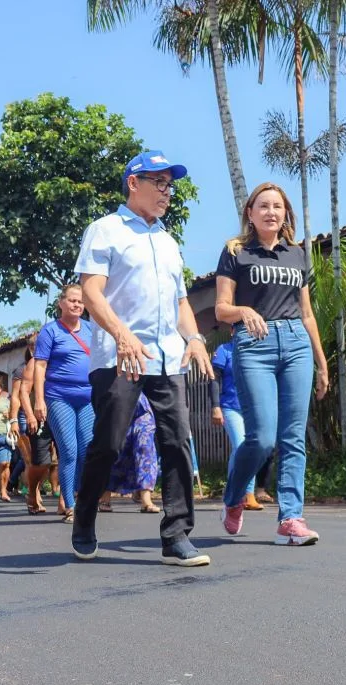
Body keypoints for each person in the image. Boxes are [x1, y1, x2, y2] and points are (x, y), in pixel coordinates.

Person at [72, 149, 214, 566]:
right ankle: (84, 519)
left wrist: (195, 338)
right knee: (109, 444)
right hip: (119, 358)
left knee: (176, 442)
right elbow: (91, 293)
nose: (167, 192)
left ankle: (176, 536)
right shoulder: (105, 230)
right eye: (159, 183)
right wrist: (121, 335)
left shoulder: (168, 242)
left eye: (170, 185)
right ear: (134, 183)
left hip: (167, 360)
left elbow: (181, 303)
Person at [215, 181, 328, 546]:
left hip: (296, 343)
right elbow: (221, 309)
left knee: (293, 436)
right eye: (263, 206)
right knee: (261, 438)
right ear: (250, 213)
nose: (270, 212)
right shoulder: (235, 252)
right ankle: (234, 498)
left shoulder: (297, 255)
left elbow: (308, 314)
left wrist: (321, 362)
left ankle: (291, 518)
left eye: (277, 206)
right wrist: (244, 310)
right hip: (253, 344)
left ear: (285, 214)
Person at [33, 285, 96, 523]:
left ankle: (81, 497)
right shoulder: (50, 331)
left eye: (80, 301)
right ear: (61, 303)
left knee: (87, 449)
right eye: (72, 300)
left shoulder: (91, 329)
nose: (77, 305)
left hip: (88, 397)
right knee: (68, 449)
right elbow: (40, 366)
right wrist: (39, 400)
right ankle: (69, 505)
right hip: (59, 396)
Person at [208, 335, 273, 510]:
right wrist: (215, 406)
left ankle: (232, 492)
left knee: (243, 449)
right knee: (243, 446)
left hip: (253, 407)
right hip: (230, 407)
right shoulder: (224, 350)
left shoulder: (256, 349)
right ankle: (247, 495)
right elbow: (214, 378)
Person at [103, 393, 161, 512]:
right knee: (115, 449)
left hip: (143, 405)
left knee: (146, 448)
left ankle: (146, 500)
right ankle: (105, 497)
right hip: (116, 403)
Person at [16, 346, 53, 514]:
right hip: (39, 418)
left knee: (67, 458)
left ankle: (67, 505)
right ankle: (32, 491)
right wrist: (30, 415)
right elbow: (23, 391)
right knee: (41, 462)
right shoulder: (34, 362)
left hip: (63, 415)